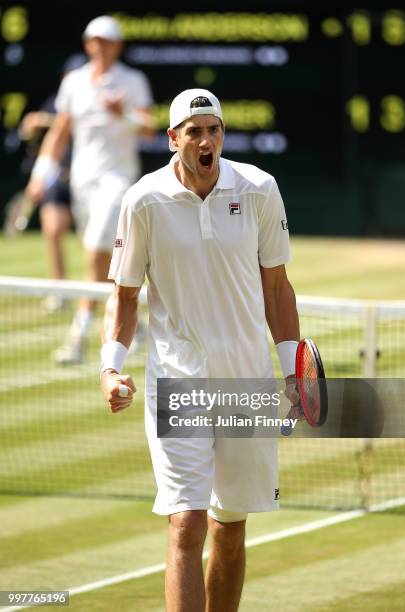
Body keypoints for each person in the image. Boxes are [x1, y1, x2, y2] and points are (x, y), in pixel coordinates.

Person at [100, 88, 302, 611]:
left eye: (214, 129)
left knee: (229, 529)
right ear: (173, 140)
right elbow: (124, 296)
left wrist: (291, 371)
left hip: (247, 383)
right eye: (194, 132)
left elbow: (277, 288)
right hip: (179, 382)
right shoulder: (143, 200)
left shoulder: (259, 189)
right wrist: (110, 368)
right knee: (186, 522)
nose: (206, 140)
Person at [25, 15, 155, 363]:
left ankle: (79, 335)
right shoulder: (75, 82)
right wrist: (41, 173)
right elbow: (60, 132)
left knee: (97, 252)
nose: (101, 46)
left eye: (108, 41)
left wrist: (123, 113)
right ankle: (133, 323)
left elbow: (150, 128)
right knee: (100, 259)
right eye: (95, 40)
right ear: (88, 45)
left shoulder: (133, 80)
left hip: (117, 180)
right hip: (82, 181)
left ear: (118, 46)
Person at [20, 54, 87, 311]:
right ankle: (59, 291)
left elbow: (66, 124)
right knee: (53, 230)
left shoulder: (94, 100)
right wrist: (33, 124)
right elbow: (31, 128)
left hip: (88, 179)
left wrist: (44, 121)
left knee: (94, 244)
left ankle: (112, 296)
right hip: (58, 177)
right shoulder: (56, 101)